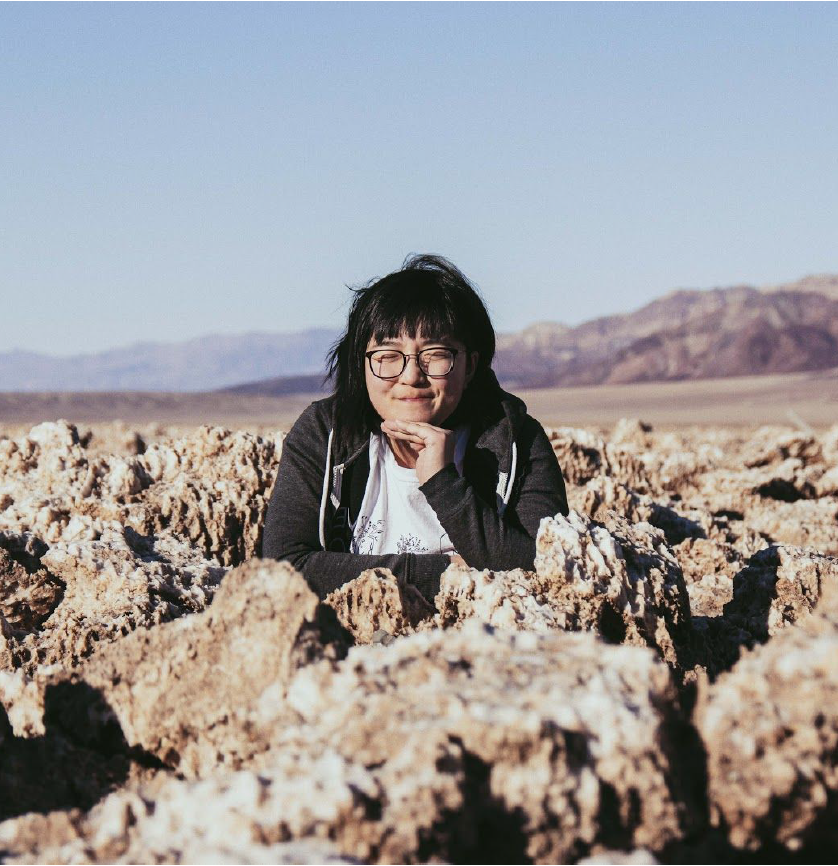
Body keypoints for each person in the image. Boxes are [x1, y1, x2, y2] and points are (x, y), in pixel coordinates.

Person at [262, 254, 568, 603]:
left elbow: (542, 570)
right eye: (388, 355)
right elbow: (284, 567)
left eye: (435, 354)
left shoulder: (517, 443)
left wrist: (443, 483)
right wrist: (451, 572)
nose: (411, 376)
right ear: (360, 364)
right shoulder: (326, 434)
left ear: (470, 366)